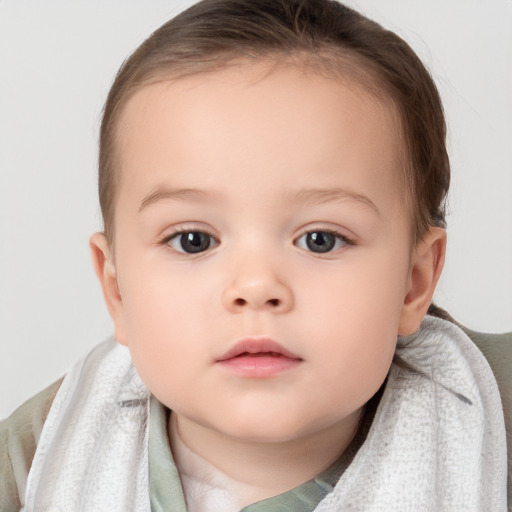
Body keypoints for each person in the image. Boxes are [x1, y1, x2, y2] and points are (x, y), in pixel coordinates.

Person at [1, 0, 509, 510]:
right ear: (117, 291)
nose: (256, 286)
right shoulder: (48, 447)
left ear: (414, 282)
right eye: (193, 240)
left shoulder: (489, 411)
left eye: (321, 239)